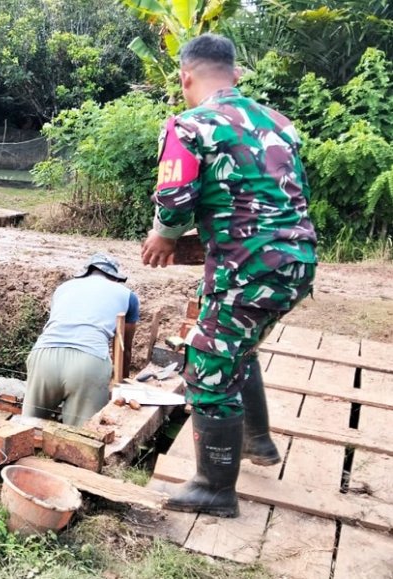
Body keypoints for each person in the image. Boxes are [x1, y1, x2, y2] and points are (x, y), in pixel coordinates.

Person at [141, 34, 317, 518]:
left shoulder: (189, 125)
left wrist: (163, 236)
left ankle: (216, 488)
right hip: (297, 261)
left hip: (247, 268)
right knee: (240, 347)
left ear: (186, 77)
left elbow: (175, 201)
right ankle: (257, 443)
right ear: (235, 74)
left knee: (208, 366)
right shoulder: (279, 123)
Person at [22, 253, 139, 427]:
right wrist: (122, 385)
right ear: (114, 277)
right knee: (82, 440)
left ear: (86, 272)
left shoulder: (63, 288)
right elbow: (124, 349)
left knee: (25, 431)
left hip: (43, 357)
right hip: (89, 362)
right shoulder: (128, 296)